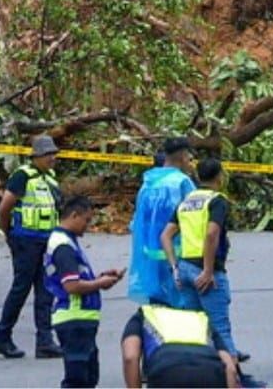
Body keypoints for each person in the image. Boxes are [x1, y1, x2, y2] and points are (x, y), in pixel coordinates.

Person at [162, 157, 241, 361]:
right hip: (206, 272)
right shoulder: (217, 200)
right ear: (219, 176)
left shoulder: (186, 201)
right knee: (220, 329)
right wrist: (207, 270)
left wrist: (174, 267)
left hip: (185, 268)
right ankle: (234, 378)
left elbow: (165, 236)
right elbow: (211, 233)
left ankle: (199, 376)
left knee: (195, 330)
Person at [0, 133, 63, 359]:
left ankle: (45, 341)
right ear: (36, 156)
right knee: (21, 289)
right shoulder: (21, 176)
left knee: (46, 291)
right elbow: (4, 208)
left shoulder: (50, 178)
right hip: (25, 241)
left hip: (46, 241)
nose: (52, 158)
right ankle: (2, 338)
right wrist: (9, 234)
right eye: (48, 154)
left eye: (53, 153)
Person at [48, 194, 127, 388]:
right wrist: (100, 284)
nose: (88, 226)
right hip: (74, 319)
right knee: (78, 380)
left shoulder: (67, 240)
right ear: (74, 215)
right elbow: (72, 286)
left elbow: (75, 279)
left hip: (81, 319)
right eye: (86, 220)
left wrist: (101, 277)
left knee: (89, 376)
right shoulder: (63, 246)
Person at [133, 138, 200, 306]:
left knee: (157, 309)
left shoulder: (147, 184)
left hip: (151, 255)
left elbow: (137, 222)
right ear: (184, 156)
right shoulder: (182, 183)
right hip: (177, 256)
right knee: (180, 308)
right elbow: (196, 217)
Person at [121, 304, 241, 389]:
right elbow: (230, 368)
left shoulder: (144, 314)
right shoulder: (201, 318)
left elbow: (130, 357)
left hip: (167, 373)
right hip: (210, 373)